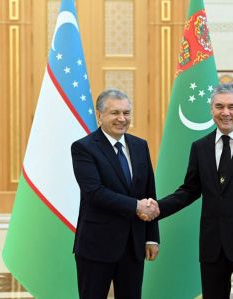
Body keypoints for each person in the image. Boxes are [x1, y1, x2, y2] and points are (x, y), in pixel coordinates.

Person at [152, 83, 233, 298]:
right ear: (211, 109)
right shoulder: (200, 147)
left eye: (232, 107)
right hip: (212, 245)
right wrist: (158, 208)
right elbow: (189, 190)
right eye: (219, 106)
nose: (226, 113)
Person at [71, 89, 160, 299]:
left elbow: (149, 192)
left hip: (133, 245)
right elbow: (95, 193)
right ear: (99, 115)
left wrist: (152, 238)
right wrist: (136, 206)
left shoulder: (140, 145)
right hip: (96, 246)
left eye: (127, 113)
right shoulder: (83, 148)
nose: (122, 119)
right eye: (115, 113)